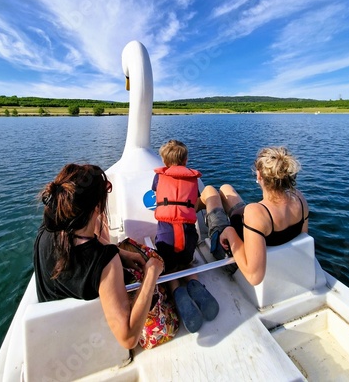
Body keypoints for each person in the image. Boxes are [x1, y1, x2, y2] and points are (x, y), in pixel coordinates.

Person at [34, 163, 164, 350]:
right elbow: (128, 339)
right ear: (97, 206)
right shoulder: (104, 262)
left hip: (52, 336)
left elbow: (83, 241)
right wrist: (151, 274)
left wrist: (120, 252)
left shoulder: (48, 229)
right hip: (88, 342)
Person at [200, 146, 309, 286]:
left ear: (259, 175)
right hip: (263, 233)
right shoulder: (299, 198)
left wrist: (230, 232)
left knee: (210, 192)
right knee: (225, 188)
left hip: (235, 258)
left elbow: (254, 277)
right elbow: (303, 237)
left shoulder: (256, 212)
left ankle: (186, 214)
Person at [152, 140, 219, 333]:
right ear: (186, 160)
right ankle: (195, 284)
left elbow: (156, 194)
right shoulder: (193, 179)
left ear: (164, 161)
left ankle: (177, 291)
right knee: (187, 263)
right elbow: (193, 199)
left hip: (166, 239)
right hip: (188, 238)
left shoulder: (158, 178)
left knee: (171, 270)